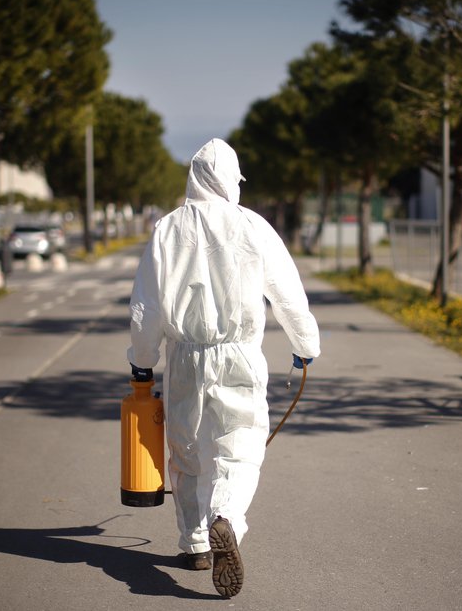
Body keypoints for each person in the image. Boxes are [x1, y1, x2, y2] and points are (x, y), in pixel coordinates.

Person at [127, 138, 321, 597]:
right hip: (238, 354)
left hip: (185, 357)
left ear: (193, 178)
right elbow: (287, 293)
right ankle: (226, 519)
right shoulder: (254, 226)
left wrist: (141, 362)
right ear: (232, 180)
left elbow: (146, 306)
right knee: (240, 447)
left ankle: (196, 543)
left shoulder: (168, 229)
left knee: (188, 450)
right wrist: (305, 345)